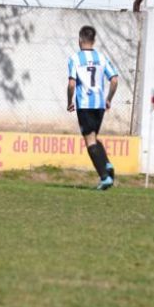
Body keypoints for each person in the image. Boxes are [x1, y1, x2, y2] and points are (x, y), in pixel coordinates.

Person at [66, 25, 119, 190]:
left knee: (89, 141)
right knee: (94, 137)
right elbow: (115, 80)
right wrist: (108, 99)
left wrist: (69, 101)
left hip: (85, 104)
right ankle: (107, 165)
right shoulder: (102, 57)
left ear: (80, 40)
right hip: (99, 104)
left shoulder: (74, 58)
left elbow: (71, 84)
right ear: (94, 40)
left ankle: (104, 177)